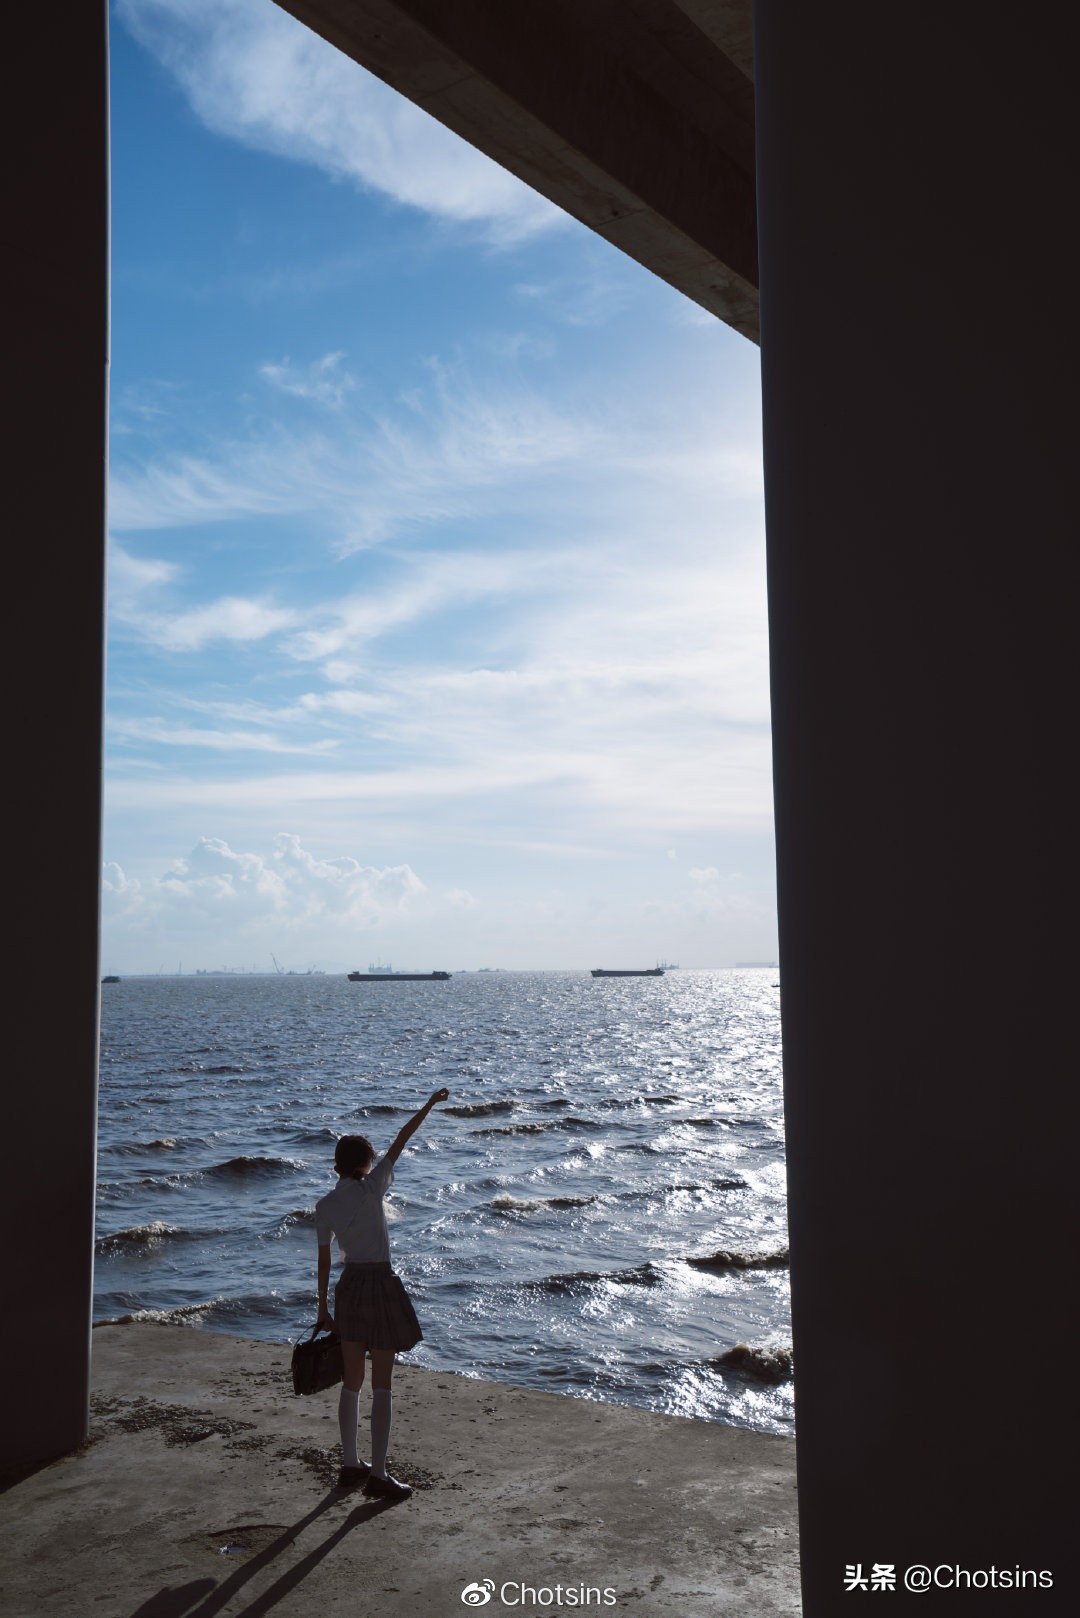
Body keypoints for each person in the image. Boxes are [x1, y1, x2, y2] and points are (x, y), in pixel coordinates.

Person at [315, 1086, 449, 1499]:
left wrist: (322, 1307)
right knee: (383, 1384)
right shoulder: (373, 1188)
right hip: (379, 1282)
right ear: (365, 1164)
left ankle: (349, 1465)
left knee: (351, 1382)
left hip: (349, 1286)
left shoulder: (324, 1206)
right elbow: (403, 1138)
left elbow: (323, 1261)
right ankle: (378, 1474)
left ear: (337, 1167)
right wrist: (428, 1104)